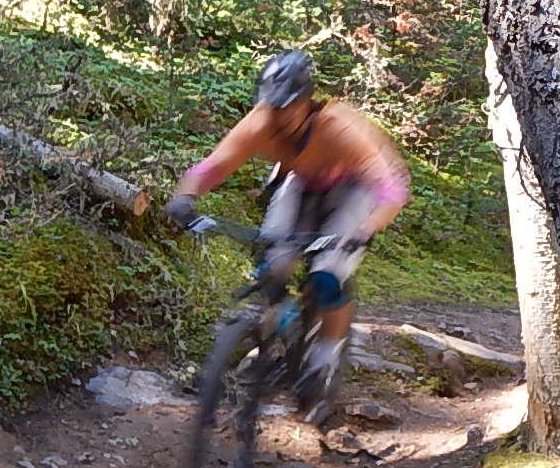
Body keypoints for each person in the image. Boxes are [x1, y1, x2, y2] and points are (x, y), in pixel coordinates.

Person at [166, 50, 409, 420]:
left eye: (288, 107)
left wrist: (364, 229)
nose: (279, 115)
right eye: (273, 106)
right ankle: (273, 335)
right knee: (272, 260)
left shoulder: (338, 127)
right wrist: (185, 197)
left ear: (306, 100)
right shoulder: (261, 120)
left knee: (328, 273)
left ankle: (326, 354)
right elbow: (214, 165)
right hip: (301, 183)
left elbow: (392, 188)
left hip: (354, 190)